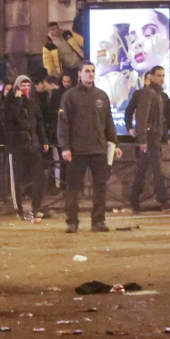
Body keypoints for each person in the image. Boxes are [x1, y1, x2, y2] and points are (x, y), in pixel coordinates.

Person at [58, 62, 122, 234]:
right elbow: (63, 124)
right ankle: (72, 221)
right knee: (73, 187)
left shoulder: (101, 96)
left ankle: (98, 221)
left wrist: (114, 143)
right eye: (87, 71)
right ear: (79, 74)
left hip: (99, 149)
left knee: (100, 186)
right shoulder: (70, 96)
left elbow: (108, 122)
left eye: (93, 71)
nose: (91, 74)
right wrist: (65, 147)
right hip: (77, 150)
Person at [131, 66, 170, 213]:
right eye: (159, 75)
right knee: (156, 170)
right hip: (150, 138)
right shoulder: (148, 93)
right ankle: (163, 200)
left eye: (163, 75)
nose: (162, 78)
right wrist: (143, 140)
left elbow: (160, 119)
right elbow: (142, 116)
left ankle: (134, 199)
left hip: (154, 137)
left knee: (142, 170)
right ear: (151, 77)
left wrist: (165, 137)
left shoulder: (158, 94)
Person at [2, 75, 50, 222]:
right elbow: (9, 119)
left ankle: (36, 208)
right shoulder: (10, 101)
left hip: (33, 145)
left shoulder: (34, 101)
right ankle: (18, 210)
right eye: (23, 86)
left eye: (28, 85)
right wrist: (17, 101)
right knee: (16, 180)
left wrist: (43, 140)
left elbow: (39, 121)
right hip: (16, 146)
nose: (26, 88)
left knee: (40, 177)